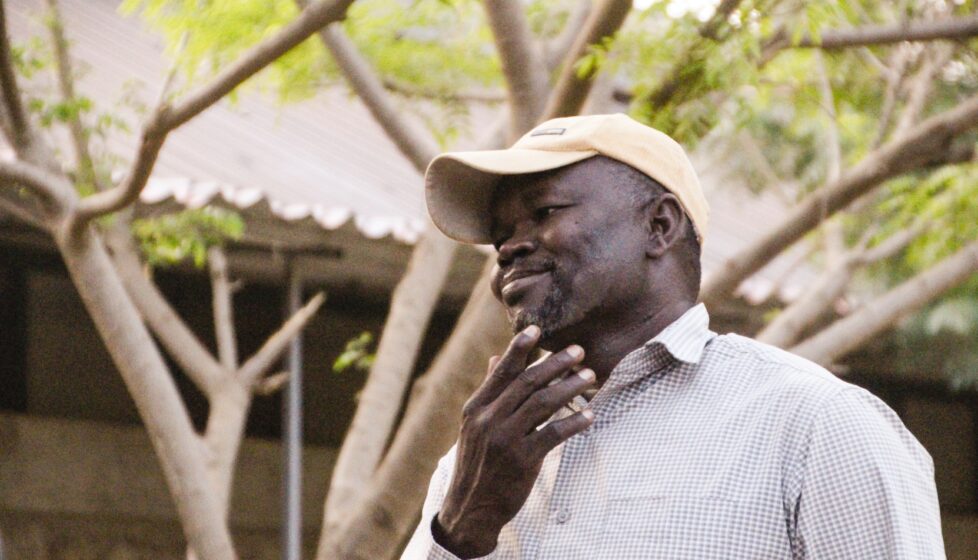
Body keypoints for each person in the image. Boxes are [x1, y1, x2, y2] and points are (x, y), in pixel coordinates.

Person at [402, 114, 944, 559]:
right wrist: (460, 529)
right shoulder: (478, 463)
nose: (509, 248)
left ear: (659, 226)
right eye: (500, 234)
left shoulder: (816, 424)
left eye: (543, 212)